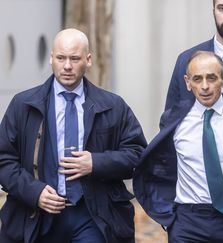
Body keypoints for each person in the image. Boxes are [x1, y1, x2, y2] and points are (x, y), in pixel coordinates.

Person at [0, 28, 147, 243]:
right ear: (51, 58)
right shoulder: (23, 105)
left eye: (75, 58)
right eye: (61, 58)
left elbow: (138, 155)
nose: (67, 66)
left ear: (88, 60)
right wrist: (34, 192)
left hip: (93, 216)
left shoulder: (113, 106)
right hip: (37, 215)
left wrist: (96, 163)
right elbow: (3, 159)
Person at [134, 51, 223, 243]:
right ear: (188, 82)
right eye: (197, 79)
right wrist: (169, 217)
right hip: (188, 222)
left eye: (211, 78)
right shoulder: (173, 119)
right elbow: (163, 166)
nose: (205, 86)